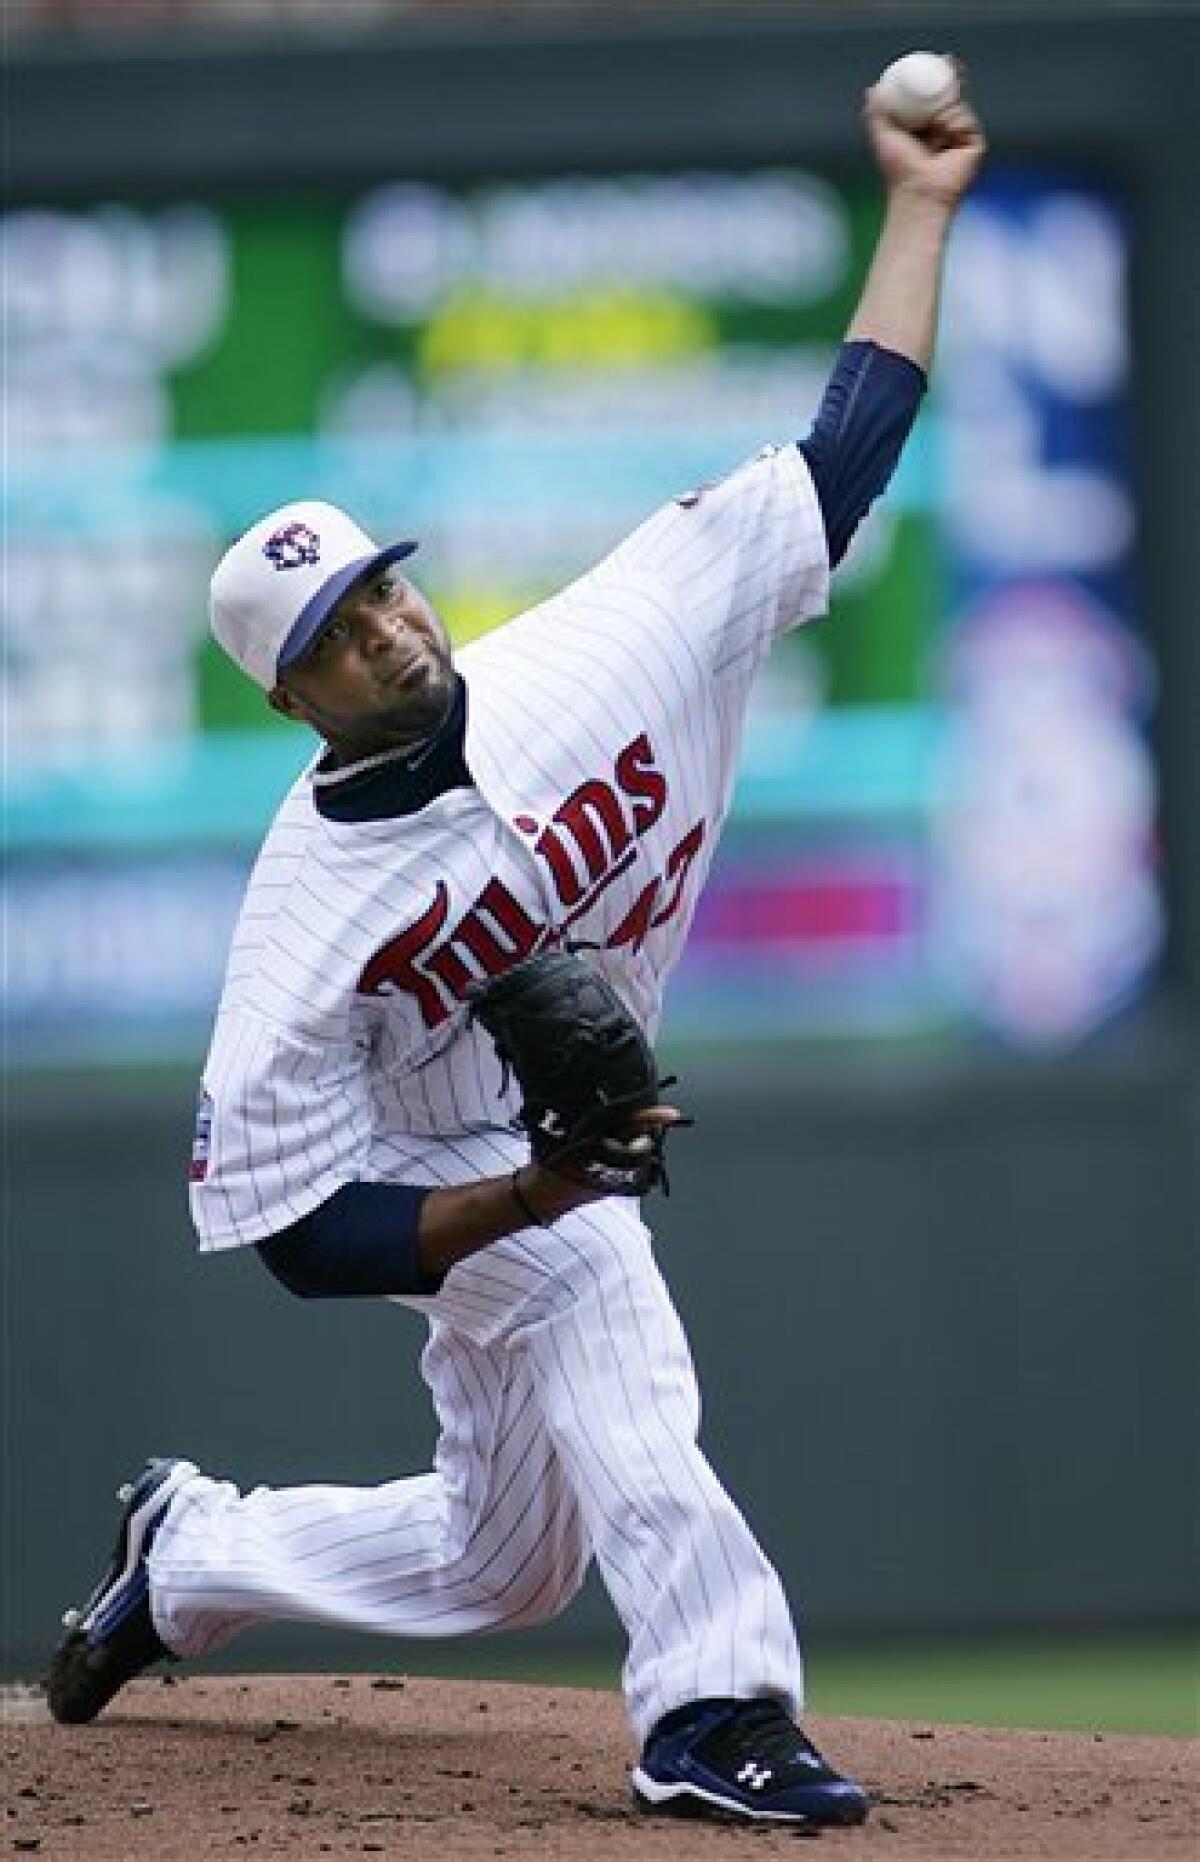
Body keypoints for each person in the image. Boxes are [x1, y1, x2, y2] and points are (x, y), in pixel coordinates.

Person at [47, 77, 985, 1827]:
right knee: (592, 1280)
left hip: (548, 1131)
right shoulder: (303, 927)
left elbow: (840, 457)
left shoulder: (609, 642)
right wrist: (539, 1194)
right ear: (288, 697)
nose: (386, 624)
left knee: (504, 1563)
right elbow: (303, 1239)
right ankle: (714, 1704)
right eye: (336, 632)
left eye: (385, 587)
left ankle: (187, 1555)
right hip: (434, 1158)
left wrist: (920, 206)